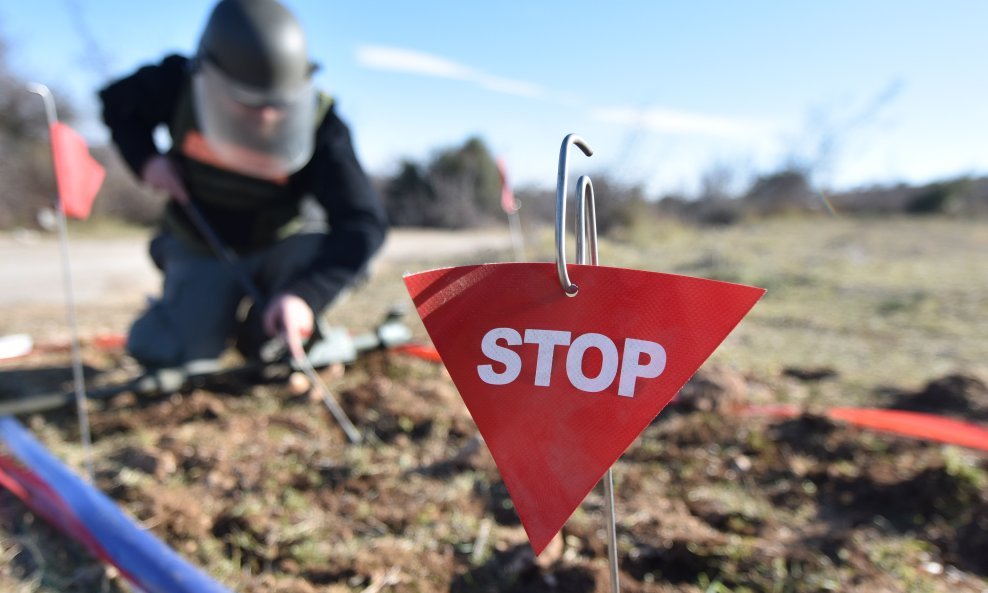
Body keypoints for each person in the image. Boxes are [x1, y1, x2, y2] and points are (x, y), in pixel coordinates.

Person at [99, 0, 387, 372]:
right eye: (248, 103)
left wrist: (304, 296)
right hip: (200, 243)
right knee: (174, 356)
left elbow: (363, 224)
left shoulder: (323, 124)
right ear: (209, 76)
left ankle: (265, 329)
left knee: (333, 263)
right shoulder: (175, 83)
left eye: (277, 105)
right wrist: (147, 160)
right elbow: (116, 105)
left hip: (277, 247)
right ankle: (191, 316)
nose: (265, 116)